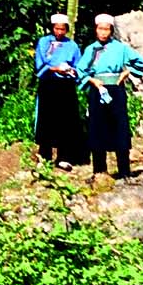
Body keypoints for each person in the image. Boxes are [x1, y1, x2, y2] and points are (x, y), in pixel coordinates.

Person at [78, 15, 143, 179]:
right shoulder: (91, 49)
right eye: (100, 29)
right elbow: (81, 69)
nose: (103, 33)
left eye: (106, 29)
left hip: (116, 89)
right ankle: (99, 171)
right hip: (97, 89)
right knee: (97, 127)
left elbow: (139, 61)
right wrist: (92, 80)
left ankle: (124, 170)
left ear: (111, 30)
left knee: (119, 127)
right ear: (96, 30)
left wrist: (127, 71)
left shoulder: (120, 48)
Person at [33, 13, 86, 168]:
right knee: (46, 119)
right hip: (48, 83)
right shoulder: (44, 42)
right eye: (57, 29)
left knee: (66, 120)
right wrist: (55, 68)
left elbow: (79, 65)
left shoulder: (72, 45)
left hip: (66, 86)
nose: (60, 32)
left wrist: (72, 71)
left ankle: (65, 157)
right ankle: (45, 156)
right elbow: (40, 64)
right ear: (52, 28)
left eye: (63, 29)